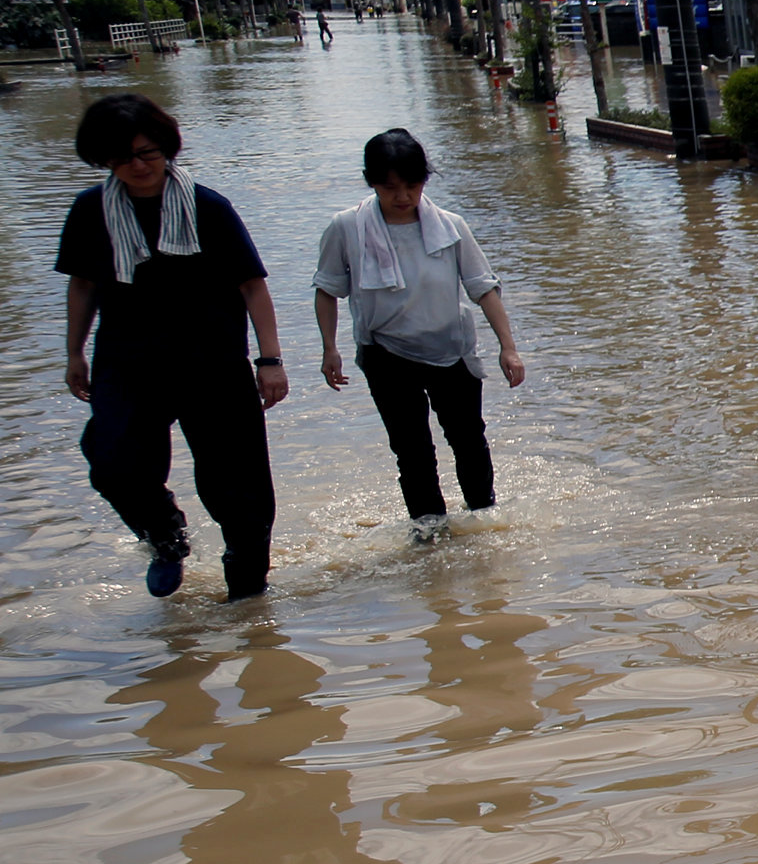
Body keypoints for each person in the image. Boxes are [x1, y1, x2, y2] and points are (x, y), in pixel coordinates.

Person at [54, 91, 289, 599]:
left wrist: (269, 360)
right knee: (112, 461)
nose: (138, 166)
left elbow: (252, 284)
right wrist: (74, 351)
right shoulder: (91, 211)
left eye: (148, 153)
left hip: (213, 363)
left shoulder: (208, 208)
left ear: (167, 148)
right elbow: (83, 285)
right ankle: (165, 536)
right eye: (122, 158)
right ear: (103, 160)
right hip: (128, 362)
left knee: (239, 487)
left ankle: (247, 596)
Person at [313, 128, 526, 543]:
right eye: (390, 187)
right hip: (385, 352)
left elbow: (483, 287)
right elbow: (327, 290)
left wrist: (509, 348)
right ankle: (429, 532)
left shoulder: (450, 226)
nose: (403, 197)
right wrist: (329, 349)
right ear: (370, 181)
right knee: (411, 450)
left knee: (468, 439)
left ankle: (483, 520)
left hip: (451, 348)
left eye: (412, 185)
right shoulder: (347, 228)